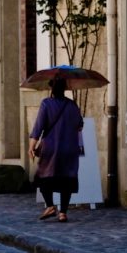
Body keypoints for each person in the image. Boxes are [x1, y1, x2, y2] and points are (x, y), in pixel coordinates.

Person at [28, 77, 84, 222]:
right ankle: (63, 213)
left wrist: (31, 147)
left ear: (52, 89)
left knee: (43, 177)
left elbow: (38, 127)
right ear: (64, 89)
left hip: (51, 148)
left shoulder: (46, 104)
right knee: (67, 179)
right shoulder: (72, 105)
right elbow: (79, 125)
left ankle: (51, 206)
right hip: (70, 148)